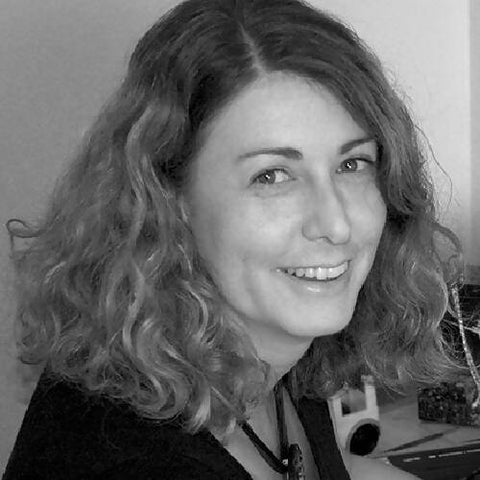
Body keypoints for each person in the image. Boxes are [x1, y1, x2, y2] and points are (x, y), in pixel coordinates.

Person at [3, 0, 462, 478]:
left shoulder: (249, 346)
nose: (336, 224)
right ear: (170, 197)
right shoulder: (136, 462)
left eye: (352, 164)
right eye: (272, 176)